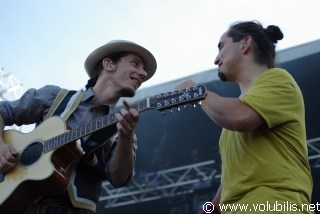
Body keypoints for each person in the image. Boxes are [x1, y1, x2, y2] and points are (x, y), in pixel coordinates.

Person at [0, 40, 157, 213]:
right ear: (108, 64)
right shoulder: (54, 96)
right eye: (136, 63)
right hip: (19, 202)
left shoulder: (123, 131)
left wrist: (126, 137)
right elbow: (3, 111)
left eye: (144, 70)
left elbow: (119, 179)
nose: (143, 73)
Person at [177, 21, 313, 214]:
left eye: (221, 46)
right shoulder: (231, 124)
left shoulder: (278, 80)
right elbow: (230, 186)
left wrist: (197, 93)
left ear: (245, 43)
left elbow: (239, 117)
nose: (216, 59)